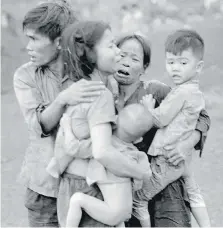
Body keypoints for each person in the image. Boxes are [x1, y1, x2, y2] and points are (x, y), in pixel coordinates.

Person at [13, 1, 108, 227]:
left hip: (88, 187)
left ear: (58, 42)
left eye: (34, 39)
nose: (28, 47)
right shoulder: (26, 75)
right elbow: (39, 126)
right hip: (44, 189)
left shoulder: (91, 73)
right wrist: (64, 98)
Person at [53, 21, 153, 227]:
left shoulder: (79, 86)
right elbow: (102, 152)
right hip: (88, 186)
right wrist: (141, 173)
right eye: (111, 46)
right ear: (89, 54)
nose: (118, 52)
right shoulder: (101, 95)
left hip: (70, 183)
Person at [113, 33, 210, 227]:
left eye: (134, 59)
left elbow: (202, 117)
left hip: (164, 176)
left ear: (144, 68)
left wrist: (186, 144)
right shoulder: (102, 93)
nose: (125, 63)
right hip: (122, 183)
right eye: (122, 55)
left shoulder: (156, 91)